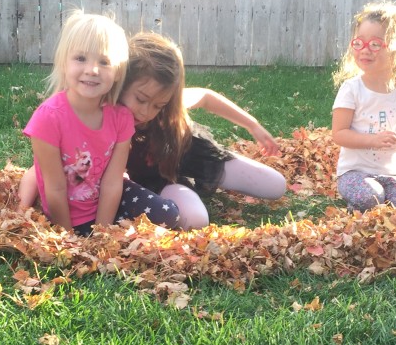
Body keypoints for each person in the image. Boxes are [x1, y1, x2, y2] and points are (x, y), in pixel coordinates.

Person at [17, 11, 180, 232]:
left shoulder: (121, 118)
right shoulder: (48, 118)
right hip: (65, 213)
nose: (92, 70)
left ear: (118, 71)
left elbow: (112, 183)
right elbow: (55, 188)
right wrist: (68, 238)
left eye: (104, 62)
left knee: (168, 215)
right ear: (64, 62)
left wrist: (102, 233)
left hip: (106, 205)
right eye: (80, 58)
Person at [120, 32, 286, 230]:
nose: (147, 112)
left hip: (193, 154)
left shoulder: (168, 106)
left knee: (276, 185)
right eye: (141, 99)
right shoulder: (111, 119)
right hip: (159, 180)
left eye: (158, 105)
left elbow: (206, 97)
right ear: (122, 84)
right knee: (196, 220)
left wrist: (252, 124)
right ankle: (187, 192)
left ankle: (216, 174)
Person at [331, 0, 396, 212]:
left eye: (375, 44)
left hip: (393, 174)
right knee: (371, 196)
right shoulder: (352, 89)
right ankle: (358, 210)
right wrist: (373, 140)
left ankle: (376, 206)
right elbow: (339, 134)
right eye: (359, 43)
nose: (365, 50)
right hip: (354, 173)